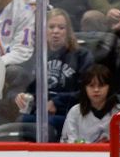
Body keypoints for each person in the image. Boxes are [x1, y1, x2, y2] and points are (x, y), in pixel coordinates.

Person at [15, 8, 94, 137]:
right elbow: (26, 87)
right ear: (44, 31)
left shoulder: (82, 56)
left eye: (61, 28)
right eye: (51, 27)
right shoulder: (37, 56)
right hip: (39, 113)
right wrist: (22, 96)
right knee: (21, 123)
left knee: (47, 125)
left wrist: (57, 103)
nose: (56, 31)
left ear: (68, 31)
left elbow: (87, 91)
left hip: (69, 113)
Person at [60, 63, 120, 143]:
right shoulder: (75, 112)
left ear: (109, 87)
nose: (96, 90)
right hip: (82, 155)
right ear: (85, 88)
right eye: (91, 85)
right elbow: (67, 142)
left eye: (101, 85)